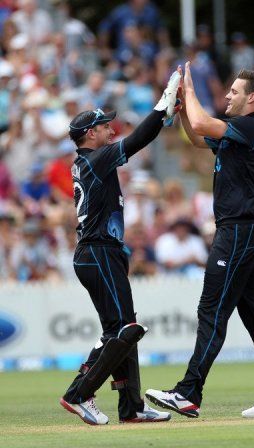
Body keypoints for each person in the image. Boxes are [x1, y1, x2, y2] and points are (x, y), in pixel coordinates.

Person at [145, 64, 254, 419]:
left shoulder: (249, 126)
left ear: (251, 98)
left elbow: (203, 125)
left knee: (212, 309)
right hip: (247, 229)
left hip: (240, 229)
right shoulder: (242, 132)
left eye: (233, 92)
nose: (227, 96)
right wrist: (184, 106)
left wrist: (188, 87)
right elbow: (198, 137)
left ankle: (188, 392)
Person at [59, 70, 182, 425]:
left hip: (102, 252)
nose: (110, 129)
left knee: (123, 330)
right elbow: (141, 138)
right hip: (97, 251)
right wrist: (163, 105)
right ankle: (79, 394)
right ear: (89, 135)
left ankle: (131, 408)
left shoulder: (89, 163)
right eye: (103, 126)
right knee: (125, 331)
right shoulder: (95, 161)